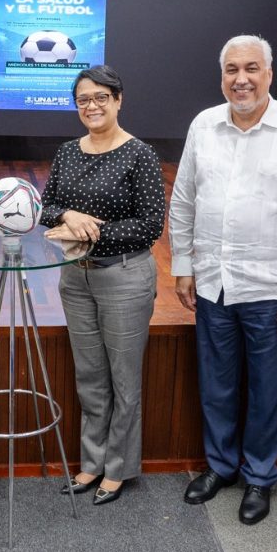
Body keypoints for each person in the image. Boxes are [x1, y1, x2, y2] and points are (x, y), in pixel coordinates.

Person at [170, 34, 277, 524]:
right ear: (222, 76)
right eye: (232, 70)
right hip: (214, 285)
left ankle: (259, 477)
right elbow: (183, 201)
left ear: (269, 73)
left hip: (272, 291)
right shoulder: (204, 125)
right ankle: (220, 466)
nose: (241, 79)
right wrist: (183, 265)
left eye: (251, 69)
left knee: (267, 390)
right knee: (216, 385)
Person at [40, 65, 165, 506]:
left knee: (124, 380)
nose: (91, 107)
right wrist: (65, 216)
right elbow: (47, 205)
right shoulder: (68, 152)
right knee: (90, 378)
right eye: (83, 100)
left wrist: (88, 232)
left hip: (125, 277)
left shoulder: (140, 154)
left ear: (118, 99)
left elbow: (151, 226)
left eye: (99, 98)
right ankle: (91, 464)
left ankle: (119, 468)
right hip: (76, 279)